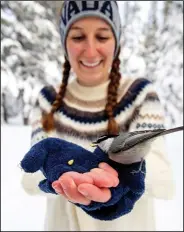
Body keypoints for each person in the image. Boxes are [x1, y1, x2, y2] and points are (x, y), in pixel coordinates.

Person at [21, 1, 174, 231]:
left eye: (102, 37)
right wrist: (55, 172)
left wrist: (124, 171)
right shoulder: (47, 99)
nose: (90, 51)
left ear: (116, 41)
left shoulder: (140, 94)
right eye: (78, 37)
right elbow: (29, 180)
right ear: (64, 42)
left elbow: (163, 181)